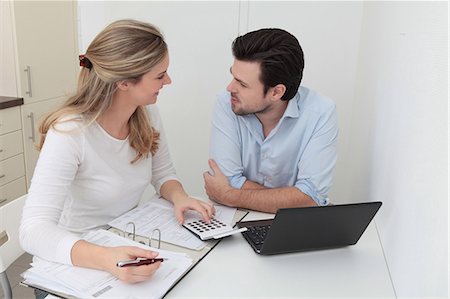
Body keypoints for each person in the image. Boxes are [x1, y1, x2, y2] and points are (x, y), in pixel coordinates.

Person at [19, 19, 214, 285]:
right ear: (124, 83)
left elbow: (163, 173)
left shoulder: (146, 114)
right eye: (159, 75)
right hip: (72, 265)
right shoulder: (70, 133)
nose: (168, 80)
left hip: (120, 246)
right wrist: (107, 258)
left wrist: (179, 196)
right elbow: (33, 231)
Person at [203, 28, 338, 214]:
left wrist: (228, 196)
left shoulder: (321, 113)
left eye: (242, 84)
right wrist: (293, 199)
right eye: (233, 76)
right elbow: (227, 179)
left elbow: (310, 196)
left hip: (290, 227)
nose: (230, 87)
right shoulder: (227, 102)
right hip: (236, 221)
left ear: (276, 92)